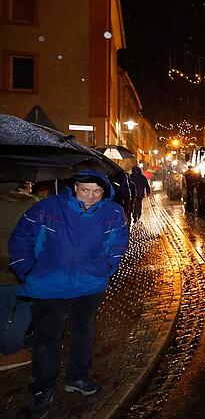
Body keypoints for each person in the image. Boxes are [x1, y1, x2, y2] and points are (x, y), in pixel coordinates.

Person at [8, 170, 129, 419]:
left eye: (97, 192)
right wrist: (27, 268)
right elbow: (21, 237)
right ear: (75, 188)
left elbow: (118, 242)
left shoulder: (113, 212)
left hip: (89, 285)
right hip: (48, 286)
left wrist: (108, 266)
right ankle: (42, 388)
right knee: (47, 339)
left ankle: (78, 377)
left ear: (104, 192)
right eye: (85, 190)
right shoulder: (49, 207)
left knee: (83, 333)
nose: (91, 197)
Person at [0, 182, 38, 371]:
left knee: (3, 309)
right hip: (21, 266)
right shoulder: (29, 206)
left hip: (1, 268)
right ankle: (11, 349)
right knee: (26, 307)